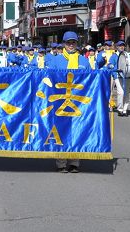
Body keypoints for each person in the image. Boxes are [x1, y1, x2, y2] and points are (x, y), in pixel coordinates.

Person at [46, 31, 90, 173]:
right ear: (64, 44)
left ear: (77, 44)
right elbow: (49, 79)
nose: (71, 45)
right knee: (61, 131)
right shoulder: (56, 60)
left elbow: (91, 80)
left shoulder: (83, 60)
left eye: (73, 42)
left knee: (77, 131)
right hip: (60, 100)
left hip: (78, 101)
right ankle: (61, 162)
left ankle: (74, 162)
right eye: (68, 42)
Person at [114, 41, 130, 116]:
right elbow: (110, 64)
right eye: (120, 45)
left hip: (126, 76)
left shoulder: (127, 55)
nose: (122, 47)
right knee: (121, 93)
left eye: (123, 45)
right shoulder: (114, 56)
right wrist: (111, 67)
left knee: (126, 94)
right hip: (118, 76)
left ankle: (125, 110)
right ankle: (120, 109)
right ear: (117, 47)